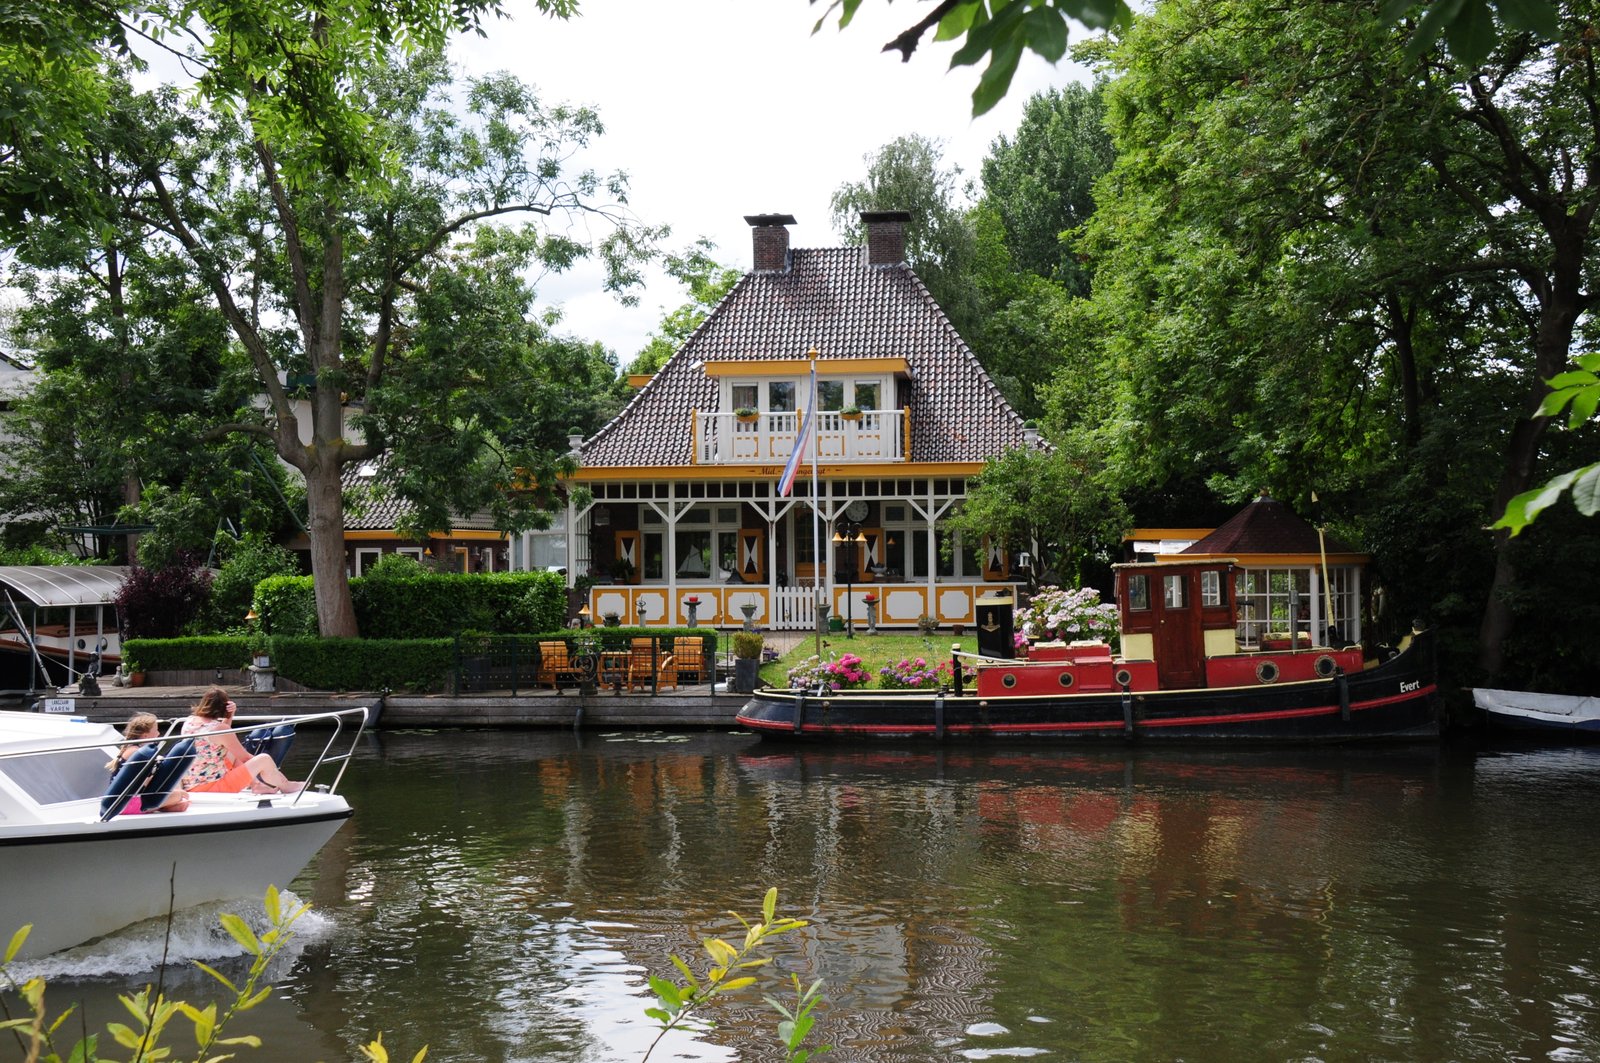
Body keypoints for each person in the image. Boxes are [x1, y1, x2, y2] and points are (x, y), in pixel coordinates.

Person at [180, 688, 302, 795]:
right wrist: (270, 770)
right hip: (212, 788)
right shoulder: (219, 729)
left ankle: (256, 785)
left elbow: (222, 738)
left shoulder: (189, 721)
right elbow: (245, 758)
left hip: (192, 785)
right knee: (264, 759)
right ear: (223, 708)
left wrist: (229, 716)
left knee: (230, 751)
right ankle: (286, 785)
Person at [105, 712, 189, 813]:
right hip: (127, 804)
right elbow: (149, 780)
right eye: (156, 730)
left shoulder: (133, 749)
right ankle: (161, 805)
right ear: (145, 736)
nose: (158, 734)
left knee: (180, 803)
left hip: (124, 803)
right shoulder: (138, 753)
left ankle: (162, 805)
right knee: (180, 795)